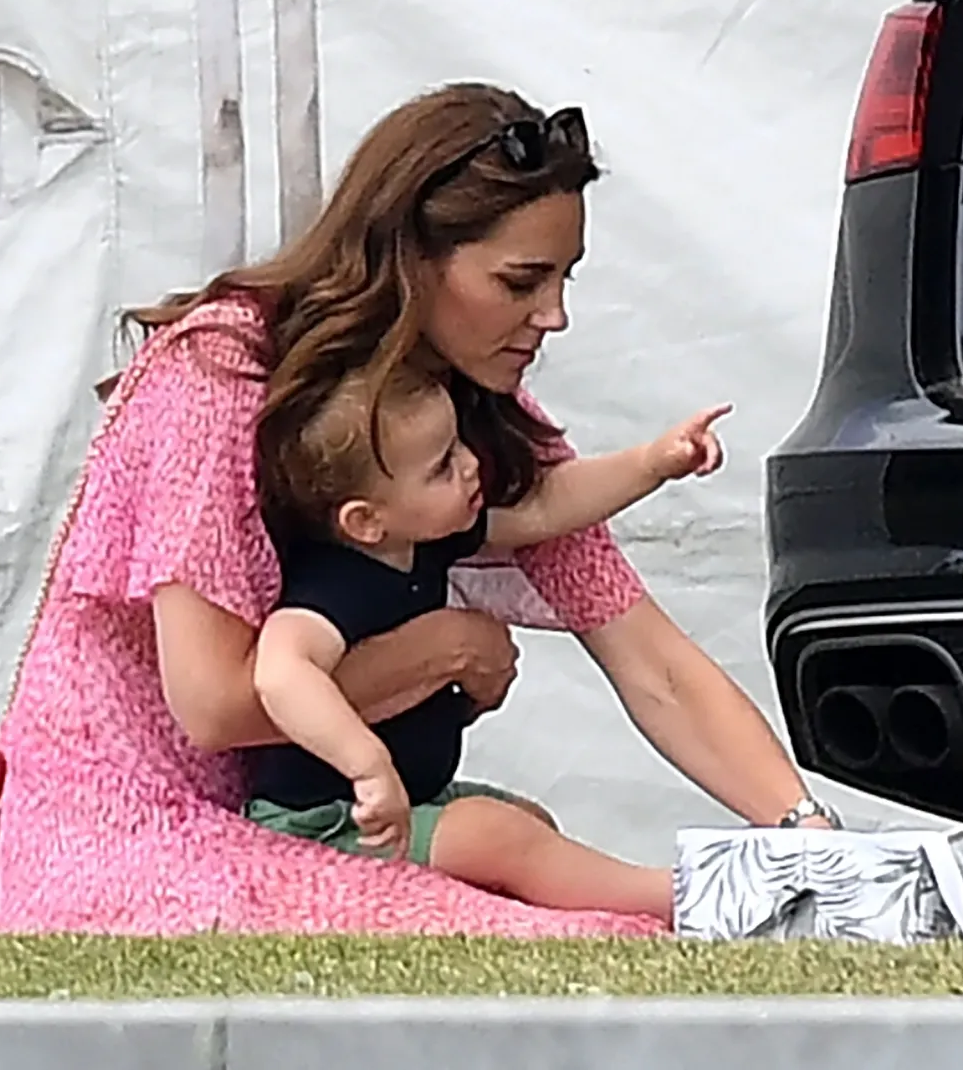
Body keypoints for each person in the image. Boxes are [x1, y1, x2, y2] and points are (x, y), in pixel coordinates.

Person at [0, 85, 839, 936]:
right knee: (588, 931)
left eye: (565, 278)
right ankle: (719, 902)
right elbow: (215, 707)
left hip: (310, 827)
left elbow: (649, 659)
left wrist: (806, 830)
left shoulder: (457, 420)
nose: (554, 315)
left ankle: (761, 895)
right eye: (521, 281)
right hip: (134, 843)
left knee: (539, 863)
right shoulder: (219, 373)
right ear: (410, 258)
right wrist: (443, 649)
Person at [247, 357, 730, 922]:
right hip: (323, 824)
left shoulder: (424, 541)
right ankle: (686, 900)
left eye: (458, 445)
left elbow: (546, 509)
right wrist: (368, 766)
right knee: (498, 836)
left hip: (410, 799)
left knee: (529, 824)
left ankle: (589, 918)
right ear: (365, 521)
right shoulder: (335, 582)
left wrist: (653, 462)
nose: (472, 464)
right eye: (442, 467)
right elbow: (279, 671)